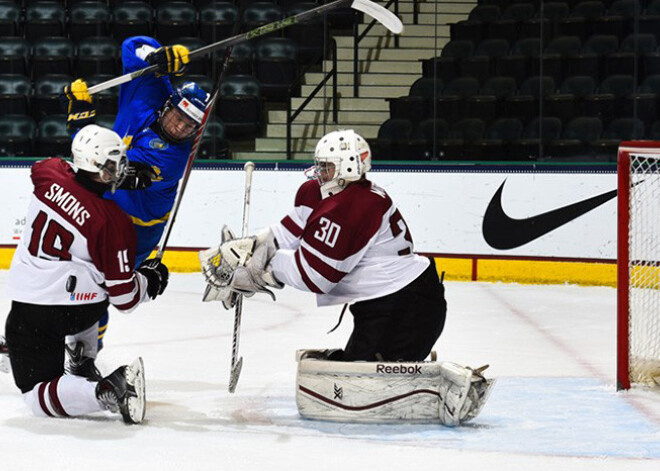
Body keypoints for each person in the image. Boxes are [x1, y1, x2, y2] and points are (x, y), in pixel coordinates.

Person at [200, 129, 494, 426]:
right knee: (356, 375)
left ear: (348, 167)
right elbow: (293, 227)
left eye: (326, 166)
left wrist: (264, 267)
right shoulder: (341, 193)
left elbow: (315, 275)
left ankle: (451, 383)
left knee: (367, 384)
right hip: (390, 304)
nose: (319, 172)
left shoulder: (352, 206)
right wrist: (254, 245)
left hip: (405, 310)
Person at [3, 124, 169, 424]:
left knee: (35, 392)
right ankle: (89, 368)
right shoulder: (112, 222)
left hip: (31, 311)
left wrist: (104, 176)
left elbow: (53, 168)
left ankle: (103, 386)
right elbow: (125, 298)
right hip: (82, 313)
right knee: (92, 280)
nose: (122, 168)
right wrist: (150, 279)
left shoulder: (47, 174)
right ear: (103, 167)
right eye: (116, 162)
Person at [60, 36, 210, 365]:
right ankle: (42, 329)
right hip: (105, 210)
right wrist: (158, 54)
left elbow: (112, 172)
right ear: (168, 104)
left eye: (189, 126)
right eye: (179, 117)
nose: (180, 127)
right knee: (64, 271)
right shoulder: (151, 91)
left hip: (136, 231)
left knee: (98, 284)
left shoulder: (173, 157)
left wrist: (81, 126)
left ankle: (85, 354)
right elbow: (132, 46)